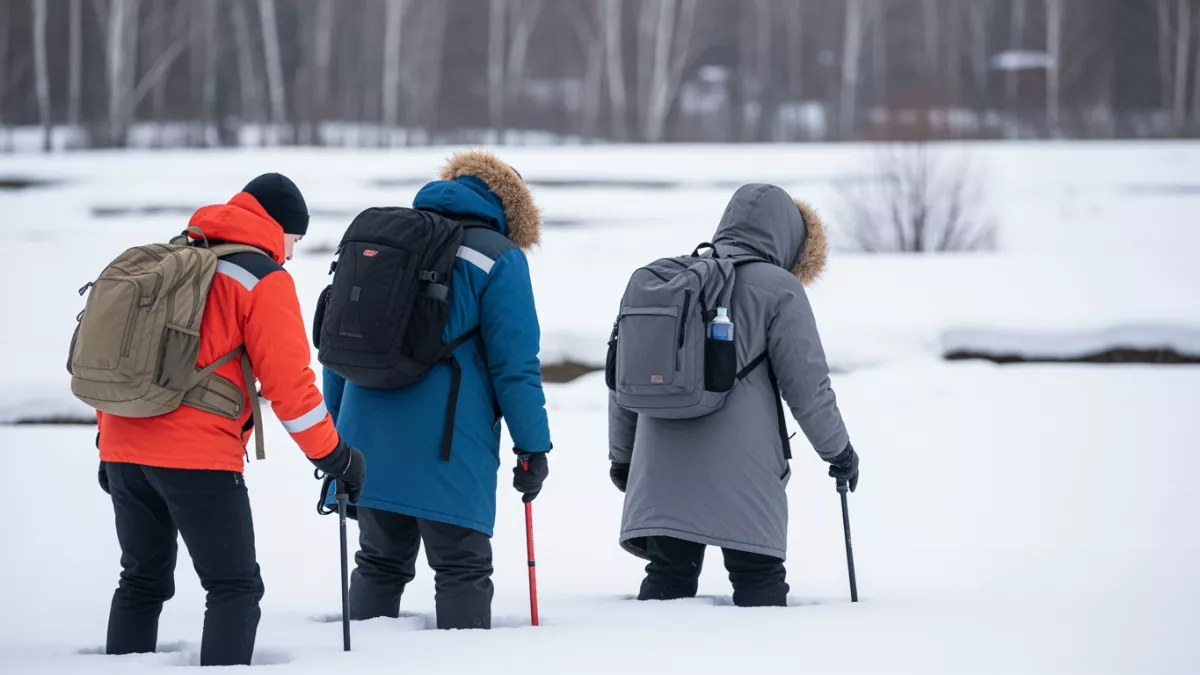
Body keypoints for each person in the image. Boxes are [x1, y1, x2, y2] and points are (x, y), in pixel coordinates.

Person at [95, 173, 366, 666]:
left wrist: (108, 445)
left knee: (141, 579)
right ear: (278, 227)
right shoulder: (261, 277)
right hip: (197, 457)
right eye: (295, 240)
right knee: (234, 586)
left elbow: (125, 356)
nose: (292, 252)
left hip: (121, 444)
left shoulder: (172, 258)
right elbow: (291, 388)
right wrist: (334, 455)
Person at [322, 150, 552, 630]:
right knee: (462, 569)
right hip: (450, 446)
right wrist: (532, 446)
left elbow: (339, 348)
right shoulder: (499, 257)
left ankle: (362, 664)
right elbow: (516, 366)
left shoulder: (384, 241)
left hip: (364, 441)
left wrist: (336, 440)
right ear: (511, 208)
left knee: (378, 562)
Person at [607, 183, 859, 607]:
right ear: (788, 238)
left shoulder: (665, 280)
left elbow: (622, 382)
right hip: (745, 475)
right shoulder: (779, 288)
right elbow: (809, 388)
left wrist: (624, 457)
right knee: (759, 585)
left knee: (666, 584)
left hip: (660, 471)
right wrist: (839, 453)